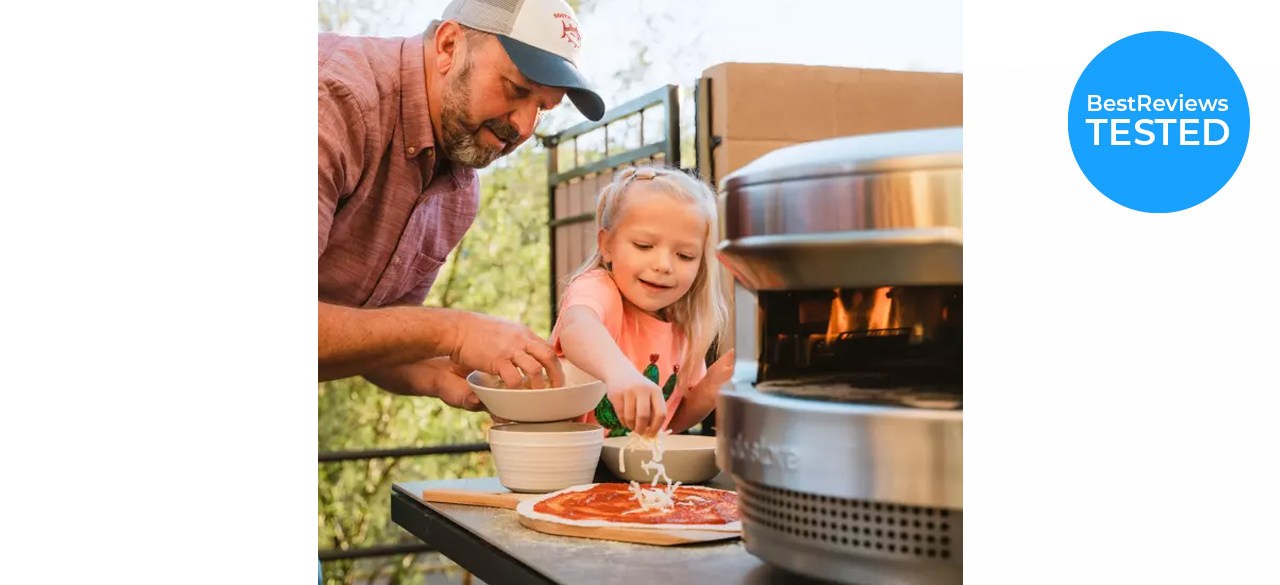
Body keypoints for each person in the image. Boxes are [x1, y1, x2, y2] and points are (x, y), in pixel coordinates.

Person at [317, 0, 607, 407]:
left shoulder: (459, 194)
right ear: (449, 46)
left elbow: (368, 333)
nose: (523, 127)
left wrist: (437, 371)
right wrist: (455, 331)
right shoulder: (334, 99)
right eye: (517, 89)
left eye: (541, 107)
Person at [550, 166, 735, 438]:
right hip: (570, 468)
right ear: (607, 244)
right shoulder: (599, 288)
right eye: (644, 246)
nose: (663, 265)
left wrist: (708, 391)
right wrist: (620, 374)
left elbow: (667, 422)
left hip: (632, 477)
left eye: (684, 255)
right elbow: (577, 326)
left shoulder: (684, 330)